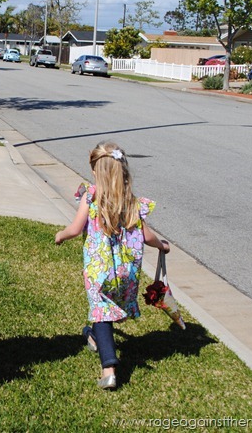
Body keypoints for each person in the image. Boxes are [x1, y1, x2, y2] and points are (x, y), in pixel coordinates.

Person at [54, 141, 169, 390]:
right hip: (126, 271)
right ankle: (93, 336)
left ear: (95, 171)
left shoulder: (91, 196)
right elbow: (146, 235)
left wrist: (61, 235)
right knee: (106, 310)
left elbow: (75, 229)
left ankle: (109, 369)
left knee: (101, 310)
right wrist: (162, 245)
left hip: (99, 270)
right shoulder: (130, 202)